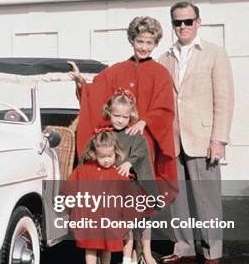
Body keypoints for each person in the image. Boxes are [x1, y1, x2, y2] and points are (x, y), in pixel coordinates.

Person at [158, 1, 234, 264]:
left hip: (203, 139)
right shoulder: (164, 58)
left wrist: (219, 139)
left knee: (207, 197)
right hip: (173, 139)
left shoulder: (214, 53)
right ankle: (184, 248)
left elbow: (224, 100)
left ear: (198, 22)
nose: (182, 27)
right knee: (177, 198)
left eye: (187, 22)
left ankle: (212, 250)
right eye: (177, 22)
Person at [69, 16, 177, 198]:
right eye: (139, 41)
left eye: (149, 43)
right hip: (116, 141)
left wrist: (145, 121)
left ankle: (142, 223)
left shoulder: (161, 74)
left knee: (139, 189)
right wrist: (81, 83)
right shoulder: (116, 70)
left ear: (155, 44)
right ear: (132, 40)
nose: (144, 47)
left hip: (143, 138)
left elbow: (165, 108)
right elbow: (95, 93)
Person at [98, 90, 162, 264]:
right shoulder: (105, 135)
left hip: (132, 185)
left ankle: (146, 254)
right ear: (109, 113)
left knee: (142, 217)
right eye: (116, 115)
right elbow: (95, 154)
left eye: (125, 117)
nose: (120, 120)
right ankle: (128, 254)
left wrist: (130, 162)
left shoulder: (134, 134)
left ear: (131, 116)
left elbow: (142, 152)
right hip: (113, 188)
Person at [67, 129, 129, 264]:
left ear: (116, 152)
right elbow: (69, 187)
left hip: (110, 217)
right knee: (91, 246)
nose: (107, 160)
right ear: (94, 153)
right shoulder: (83, 170)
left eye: (110, 156)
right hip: (90, 216)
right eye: (102, 157)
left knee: (107, 247)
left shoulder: (118, 173)